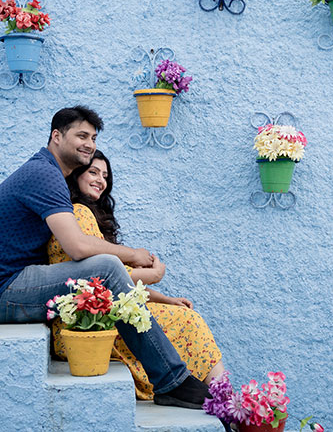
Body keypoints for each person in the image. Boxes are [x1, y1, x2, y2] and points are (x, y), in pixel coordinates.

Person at [0, 106, 211, 409]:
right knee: (106, 267)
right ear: (56, 136)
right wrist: (133, 255)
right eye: (81, 135)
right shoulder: (44, 174)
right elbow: (78, 247)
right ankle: (172, 381)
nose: (89, 144)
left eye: (93, 137)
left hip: (8, 284)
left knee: (106, 267)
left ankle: (173, 380)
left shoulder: (46, 172)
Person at [48, 150, 225, 400]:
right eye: (93, 172)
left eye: (105, 175)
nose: (101, 180)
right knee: (189, 323)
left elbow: (120, 284)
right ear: (76, 175)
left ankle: (221, 399)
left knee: (186, 316)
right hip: (86, 324)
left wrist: (165, 298)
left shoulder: (87, 217)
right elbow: (104, 280)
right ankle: (224, 402)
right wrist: (153, 275)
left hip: (100, 315)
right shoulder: (78, 212)